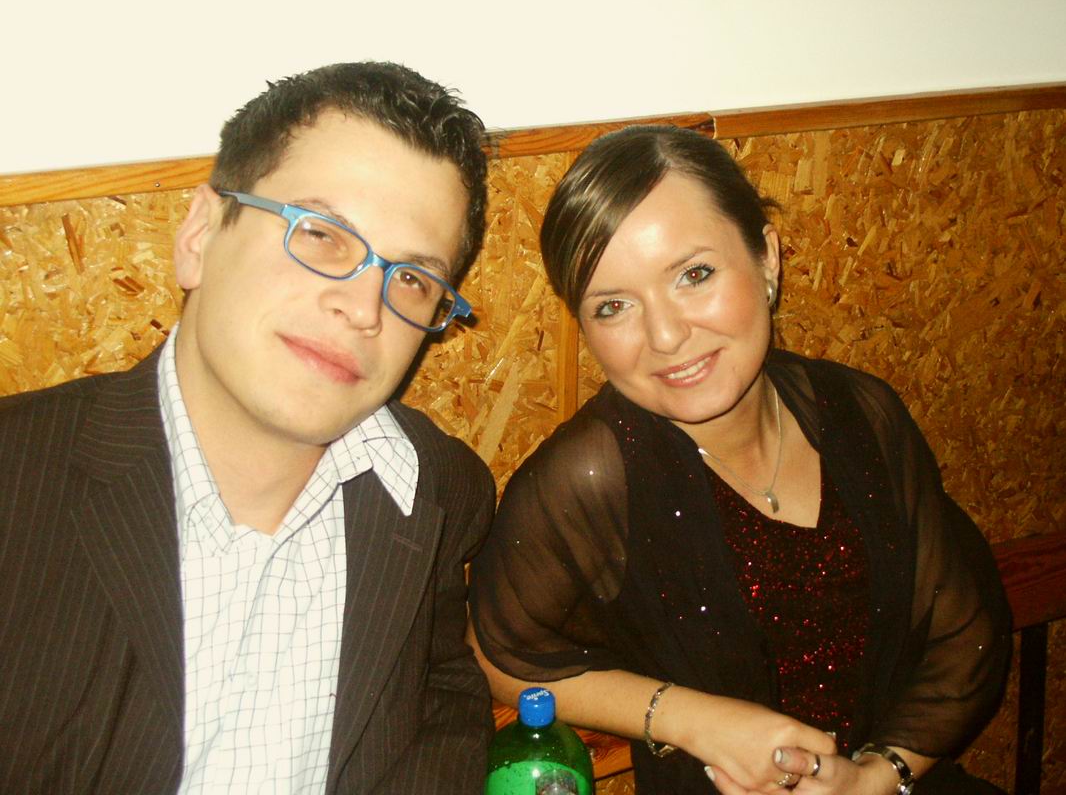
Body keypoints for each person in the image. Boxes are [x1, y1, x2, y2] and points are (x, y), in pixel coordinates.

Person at [468, 125, 1010, 794]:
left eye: (694, 275)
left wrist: (879, 775)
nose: (666, 335)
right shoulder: (592, 476)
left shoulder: (861, 414)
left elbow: (963, 633)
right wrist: (692, 719)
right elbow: (500, 653)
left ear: (767, 259)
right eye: (613, 306)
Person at [0, 61, 495, 794]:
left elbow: (442, 691)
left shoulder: (436, 489)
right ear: (200, 235)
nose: (364, 308)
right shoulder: (17, 483)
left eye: (412, 279)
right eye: (322, 234)